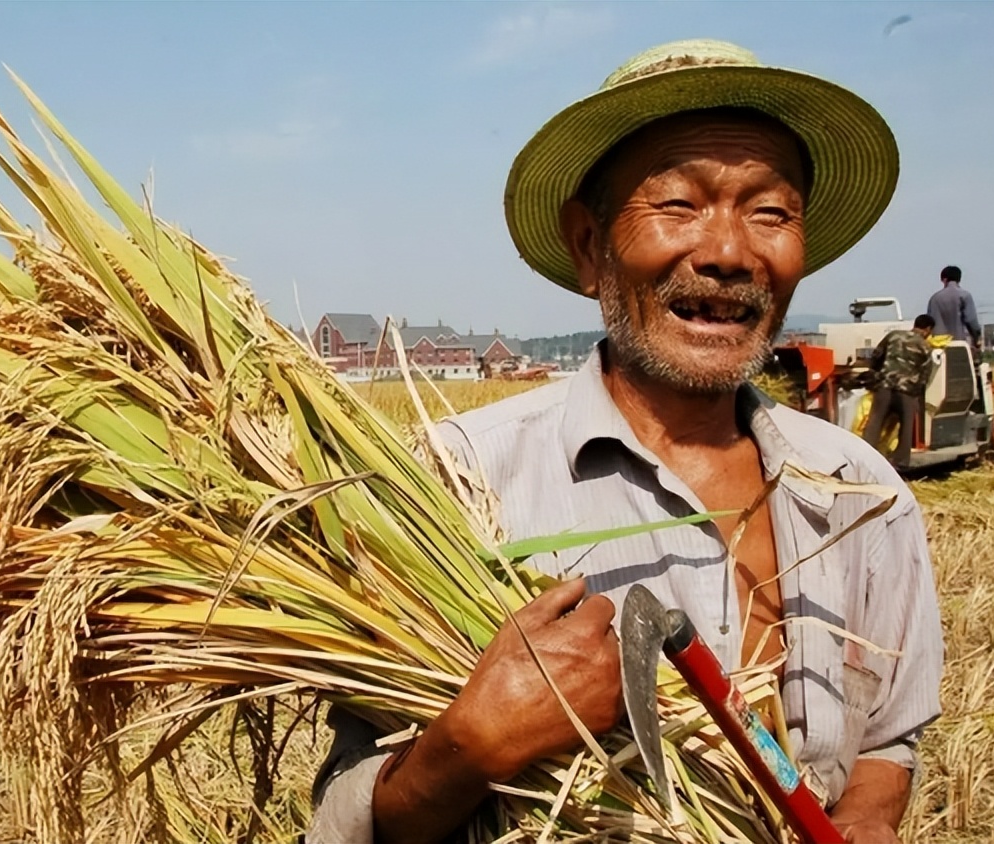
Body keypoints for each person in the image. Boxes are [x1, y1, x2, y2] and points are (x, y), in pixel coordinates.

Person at [309, 39, 942, 844]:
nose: (727, 252)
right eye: (678, 204)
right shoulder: (455, 486)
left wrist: (865, 817)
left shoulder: (864, 495)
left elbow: (889, 739)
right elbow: (340, 820)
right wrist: (468, 748)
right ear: (587, 246)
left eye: (771, 212)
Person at [862, 315, 937, 469]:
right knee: (906, 426)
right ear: (928, 329)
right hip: (906, 391)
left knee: (875, 422)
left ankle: (865, 457)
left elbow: (876, 355)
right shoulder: (925, 346)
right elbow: (925, 374)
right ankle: (900, 463)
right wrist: (916, 393)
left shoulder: (893, 335)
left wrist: (876, 374)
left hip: (885, 386)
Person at [927, 265, 982, 350]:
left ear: (943, 279)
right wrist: (976, 339)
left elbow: (929, 324)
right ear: (959, 279)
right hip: (960, 344)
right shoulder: (965, 296)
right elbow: (971, 320)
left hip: (938, 346)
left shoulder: (934, 298)